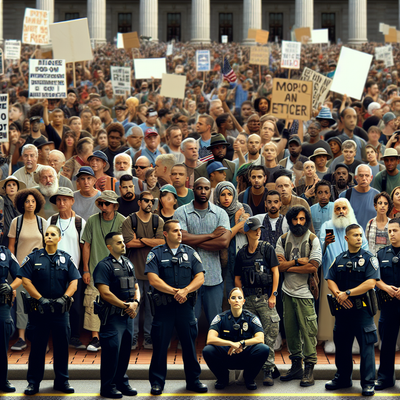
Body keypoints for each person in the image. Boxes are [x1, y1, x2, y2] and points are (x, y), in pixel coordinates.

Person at [145, 220, 207, 395]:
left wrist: (185, 291)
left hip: (185, 307)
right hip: (163, 308)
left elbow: (200, 277)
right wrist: (175, 292)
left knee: (189, 345)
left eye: (180, 230)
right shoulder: (155, 253)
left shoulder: (190, 252)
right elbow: (153, 279)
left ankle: (193, 380)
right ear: (165, 234)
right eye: (175, 231)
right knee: (160, 346)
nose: (179, 233)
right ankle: (157, 382)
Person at [18, 225, 80, 395]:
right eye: (47, 234)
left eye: (53, 234)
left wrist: (65, 297)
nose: (49, 237)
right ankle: (33, 383)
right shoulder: (33, 257)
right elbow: (25, 280)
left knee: (62, 348)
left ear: (59, 239)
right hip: (40, 311)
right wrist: (40, 299)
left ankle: (62, 381)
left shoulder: (67, 259)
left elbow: (74, 281)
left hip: (61, 312)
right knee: (37, 348)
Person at [325, 224, 379, 397]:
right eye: (355, 235)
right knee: (341, 347)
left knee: (367, 348)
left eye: (360, 235)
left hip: (362, 312)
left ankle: (368, 383)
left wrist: (347, 293)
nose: (359, 238)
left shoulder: (369, 258)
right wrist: (338, 294)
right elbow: (330, 278)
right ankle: (342, 379)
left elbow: (371, 283)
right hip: (342, 312)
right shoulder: (339, 258)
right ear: (346, 238)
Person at [174, 177, 231, 324]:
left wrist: (194, 241)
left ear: (210, 190)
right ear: (193, 190)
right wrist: (212, 236)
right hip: (188, 276)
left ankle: (215, 347)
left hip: (213, 276)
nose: (203, 191)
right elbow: (181, 238)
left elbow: (224, 242)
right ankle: (187, 347)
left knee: (215, 320)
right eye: (199, 188)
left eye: (206, 188)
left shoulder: (220, 213)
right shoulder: (181, 212)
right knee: (190, 320)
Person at [276, 206, 321, 386]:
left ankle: (309, 369)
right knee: (291, 331)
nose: (299, 223)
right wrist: (296, 261)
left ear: (307, 220)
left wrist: (288, 265)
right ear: (290, 221)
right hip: (287, 292)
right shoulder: (283, 239)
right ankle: (296, 367)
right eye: (295, 219)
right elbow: (278, 267)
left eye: (302, 219)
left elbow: (312, 267)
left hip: (305, 293)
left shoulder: (312, 239)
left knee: (309, 331)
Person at [234, 217, 280, 386]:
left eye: (259, 229)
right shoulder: (241, 253)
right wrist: (241, 297)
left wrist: (273, 295)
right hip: (249, 298)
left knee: (269, 332)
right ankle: (250, 368)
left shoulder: (267, 249)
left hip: (265, 297)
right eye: (254, 229)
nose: (258, 231)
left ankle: (268, 368)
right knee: (248, 333)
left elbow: (276, 272)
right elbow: (237, 279)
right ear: (247, 231)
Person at [93, 232, 140, 399]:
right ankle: (108, 386)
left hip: (127, 317)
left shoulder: (128, 263)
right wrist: (126, 305)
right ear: (109, 247)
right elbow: (105, 293)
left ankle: (121, 382)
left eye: (123, 242)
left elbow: (136, 286)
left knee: (125, 351)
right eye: (119, 243)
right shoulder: (103, 266)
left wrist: (136, 303)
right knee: (112, 351)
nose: (123, 245)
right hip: (112, 317)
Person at [81, 190, 126, 352]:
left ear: (114, 206)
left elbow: (126, 246)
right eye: (101, 203)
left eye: (107, 203)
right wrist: (85, 269)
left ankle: (115, 336)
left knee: (116, 301)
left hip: (116, 270)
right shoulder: (92, 220)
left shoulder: (122, 221)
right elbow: (86, 244)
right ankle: (95, 338)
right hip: (95, 268)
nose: (104, 206)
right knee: (93, 302)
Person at [202, 287, 270, 390]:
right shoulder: (220, 317)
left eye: (239, 298)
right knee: (208, 350)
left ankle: (248, 378)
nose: (236, 300)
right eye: (233, 298)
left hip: (244, 354)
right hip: (227, 354)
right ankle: (223, 378)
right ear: (229, 301)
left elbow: (260, 339)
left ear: (243, 301)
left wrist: (241, 343)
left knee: (263, 349)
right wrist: (231, 344)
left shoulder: (251, 318)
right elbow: (210, 339)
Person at [121, 191, 164, 350]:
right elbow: (128, 244)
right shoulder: (130, 220)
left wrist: (140, 239)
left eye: (152, 201)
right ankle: (132, 338)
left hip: (153, 272)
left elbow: (161, 242)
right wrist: (149, 241)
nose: (149, 204)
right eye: (146, 200)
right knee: (134, 307)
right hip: (133, 272)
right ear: (139, 202)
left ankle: (148, 338)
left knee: (151, 309)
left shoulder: (157, 220)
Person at [8, 188, 48, 352]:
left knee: (39, 303)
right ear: (21, 204)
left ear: (37, 203)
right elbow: (11, 247)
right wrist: (14, 266)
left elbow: (48, 246)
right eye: (27, 201)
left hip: (39, 270)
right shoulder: (16, 222)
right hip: (22, 270)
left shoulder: (43, 223)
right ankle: (22, 338)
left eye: (33, 201)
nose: (30, 204)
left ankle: (40, 339)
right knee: (21, 305)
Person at [47, 187, 87, 350]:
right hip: (53, 270)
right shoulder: (51, 220)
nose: (61, 203)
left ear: (72, 201)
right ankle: (55, 337)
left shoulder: (79, 222)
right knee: (54, 303)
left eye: (65, 199)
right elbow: (47, 243)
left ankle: (74, 337)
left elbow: (84, 246)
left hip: (73, 270)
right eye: (58, 200)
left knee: (75, 305)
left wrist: (85, 269)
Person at [214, 181, 252, 298]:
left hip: (241, 258)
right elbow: (223, 239)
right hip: (221, 261)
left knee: (242, 297)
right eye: (223, 194)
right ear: (217, 196)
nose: (226, 198)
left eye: (229, 194)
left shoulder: (244, 208)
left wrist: (236, 223)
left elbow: (247, 230)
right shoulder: (214, 213)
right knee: (226, 296)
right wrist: (238, 222)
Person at [375, 218, 400, 390]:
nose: (391, 234)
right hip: (388, 306)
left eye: (395, 231)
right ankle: (385, 378)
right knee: (387, 343)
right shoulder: (381, 254)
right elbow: (374, 278)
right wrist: (385, 287)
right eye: (389, 231)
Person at [0, 245, 21, 393]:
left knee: (2, 344)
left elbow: (20, 275)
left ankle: (2, 380)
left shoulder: (6, 253)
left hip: (2, 305)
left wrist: (10, 287)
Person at [339, 165, 379, 231]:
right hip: (351, 237)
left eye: (367, 175)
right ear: (356, 177)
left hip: (372, 236)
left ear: (371, 178)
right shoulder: (345, 195)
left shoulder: (377, 195)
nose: (364, 178)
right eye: (361, 175)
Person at [0, 176, 26, 247]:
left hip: (22, 237)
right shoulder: (1, 201)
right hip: (5, 238)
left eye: (14, 185)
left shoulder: (23, 203)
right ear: (5, 189)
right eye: (9, 185)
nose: (12, 187)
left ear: (17, 188)